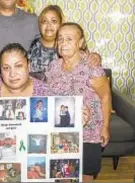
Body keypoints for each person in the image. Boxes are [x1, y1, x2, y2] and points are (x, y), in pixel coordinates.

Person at [45, 22, 111, 182]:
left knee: (85, 174)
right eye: (60, 39)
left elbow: (106, 97)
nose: (63, 43)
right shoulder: (53, 66)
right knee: (62, 174)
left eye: (69, 39)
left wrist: (105, 127)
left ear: (80, 42)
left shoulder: (91, 67)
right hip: (60, 133)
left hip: (88, 133)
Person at [28, 5, 101, 73]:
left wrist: (95, 57)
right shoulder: (34, 45)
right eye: (44, 21)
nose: (48, 25)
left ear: (61, 24)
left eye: (53, 21)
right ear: (39, 24)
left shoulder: (69, 45)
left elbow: (89, 60)